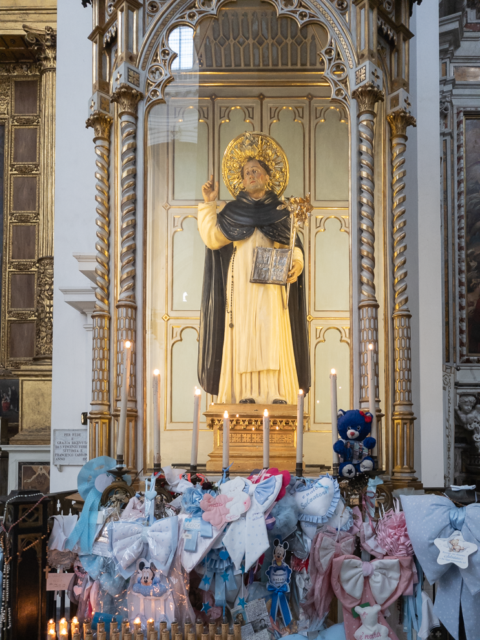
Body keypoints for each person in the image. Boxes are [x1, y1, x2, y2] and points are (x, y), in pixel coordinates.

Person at [197, 134, 310, 405]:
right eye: (247, 172)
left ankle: (275, 393)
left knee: (270, 332)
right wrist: (210, 203)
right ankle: (243, 392)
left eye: (255, 170)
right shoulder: (234, 211)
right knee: (246, 332)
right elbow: (213, 237)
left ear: (267, 177)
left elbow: (291, 242)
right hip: (242, 284)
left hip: (271, 283)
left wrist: (295, 263)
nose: (250, 175)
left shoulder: (281, 211)